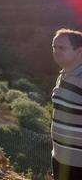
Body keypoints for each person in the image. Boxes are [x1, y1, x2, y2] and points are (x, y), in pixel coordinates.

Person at [50, 29, 82, 180]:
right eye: (54, 47)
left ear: (79, 51)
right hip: (60, 160)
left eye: (62, 47)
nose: (56, 51)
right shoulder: (63, 76)